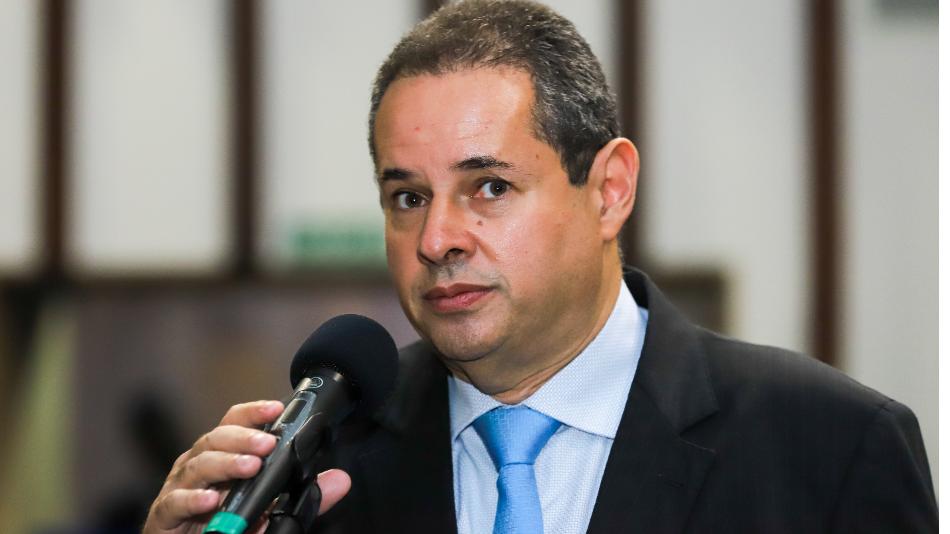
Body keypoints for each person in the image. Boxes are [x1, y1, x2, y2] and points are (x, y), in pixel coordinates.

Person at [143, 1, 937, 533]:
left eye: (489, 186)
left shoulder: (831, 448)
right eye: (408, 197)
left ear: (609, 190)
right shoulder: (318, 470)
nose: (437, 239)